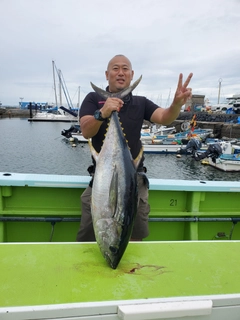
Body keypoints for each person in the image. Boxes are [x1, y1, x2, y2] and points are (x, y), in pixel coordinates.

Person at [76, 54, 193, 242]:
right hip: (102, 180)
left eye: (125, 69)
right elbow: (86, 131)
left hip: (134, 182)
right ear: (107, 74)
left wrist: (176, 104)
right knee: (88, 234)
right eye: (115, 68)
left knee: (135, 236)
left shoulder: (141, 103)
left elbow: (164, 118)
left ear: (132, 74)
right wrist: (102, 113)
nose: (120, 73)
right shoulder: (93, 99)